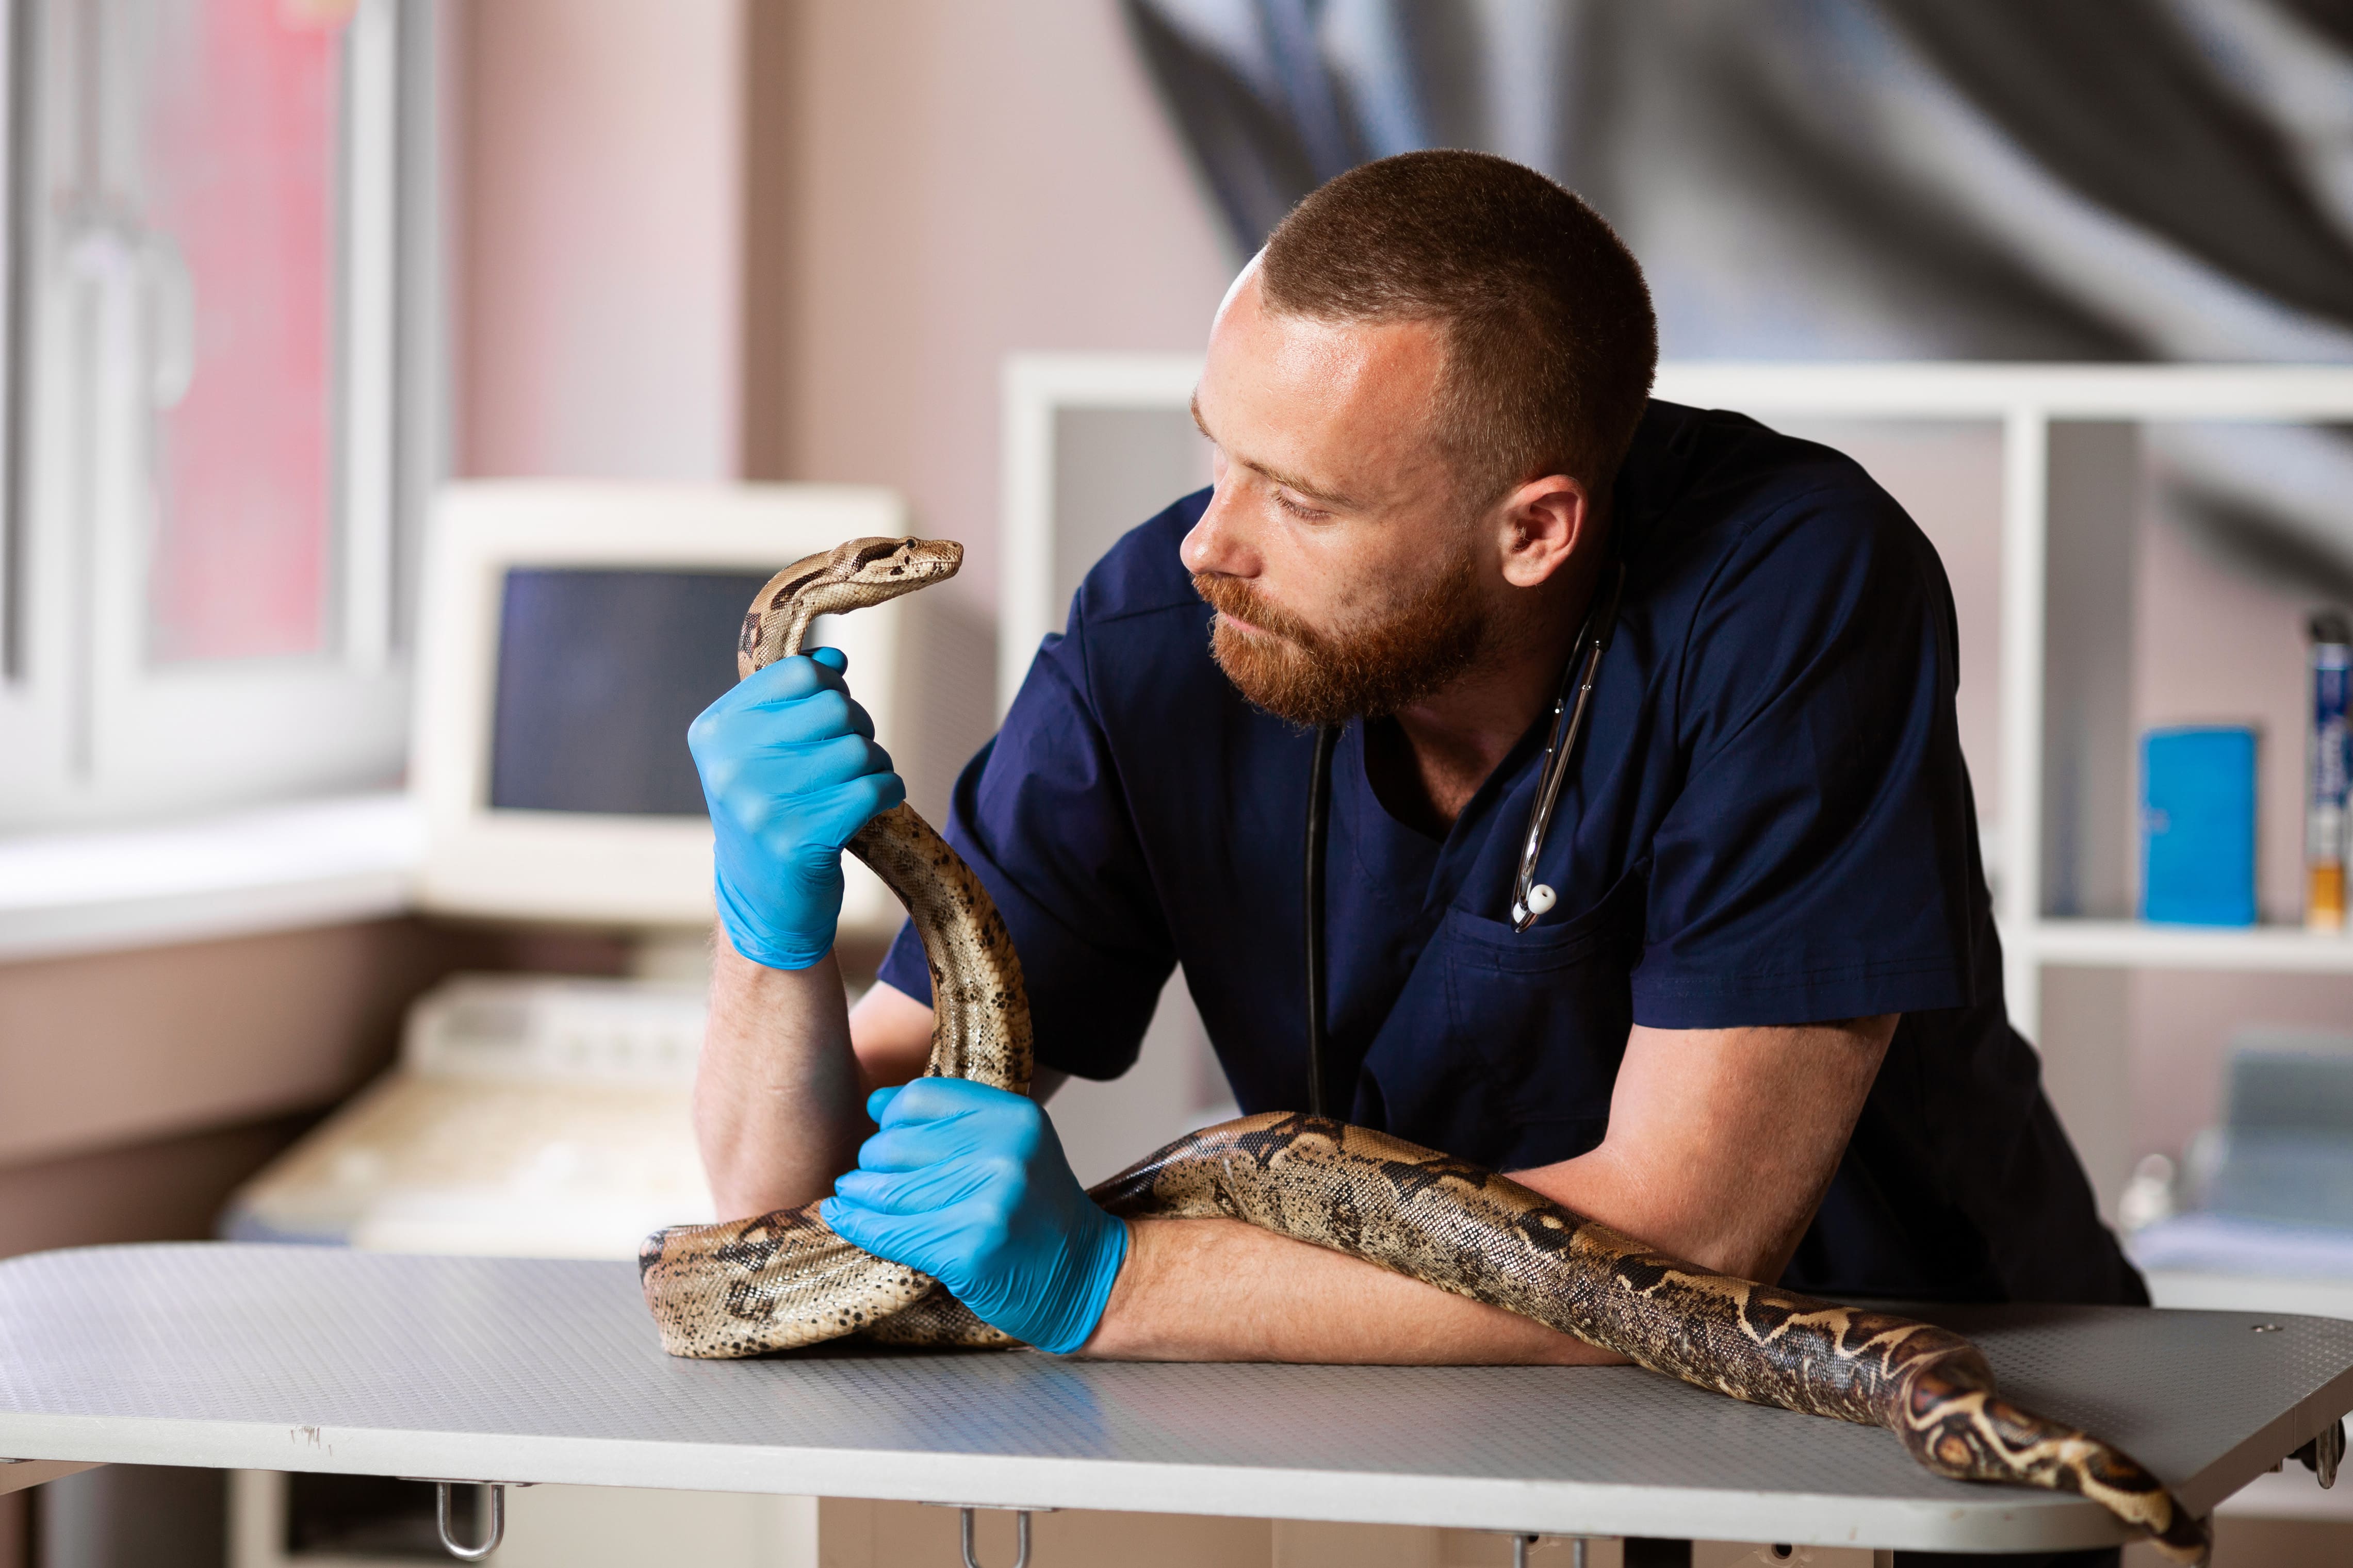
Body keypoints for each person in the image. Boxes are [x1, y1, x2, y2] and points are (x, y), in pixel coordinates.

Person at [690, 148, 2140, 1565]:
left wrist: (1106, 1278)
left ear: (1535, 531)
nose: (1210, 540)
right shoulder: (1162, 631)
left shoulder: (1788, 591)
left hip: (1918, 1407)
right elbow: (780, 1208)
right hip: (1430, 1398)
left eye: (1302, 501)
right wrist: (766, 932)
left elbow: (1694, 1231)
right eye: (1217, 450)